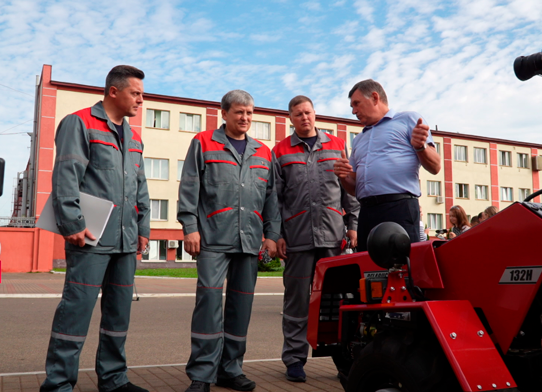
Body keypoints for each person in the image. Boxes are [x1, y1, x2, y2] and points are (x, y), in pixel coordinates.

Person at [40, 65, 151, 392]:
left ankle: (114, 380)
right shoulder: (80, 123)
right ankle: (58, 384)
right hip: (89, 237)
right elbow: (66, 176)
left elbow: (140, 186)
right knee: (76, 312)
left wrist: (143, 227)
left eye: (142, 94)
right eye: (136, 93)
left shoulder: (134, 136)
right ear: (113, 91)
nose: (141, 100)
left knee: (119, 316)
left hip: (126, 239)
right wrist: (72, 223)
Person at [178, 90, 281, 392]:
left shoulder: (263, 152)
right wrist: (189, 227)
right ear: (224, 114)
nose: (245, 118)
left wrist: (272, 236)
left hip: (249, 241)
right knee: (208, 304)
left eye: (249, 113)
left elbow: (272, 198)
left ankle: (230, 369)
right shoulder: (203, 142)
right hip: (212, 238)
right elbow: (189, 187)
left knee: (241, 306)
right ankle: (202, 374)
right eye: (239, 112)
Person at [272, 96, 360, 382]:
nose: (304, 117)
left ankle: (343, 360)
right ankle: (295, 361)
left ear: (315, 114)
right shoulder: (281, 151)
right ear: (291, 119)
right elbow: (275, 198)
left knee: (336, 304)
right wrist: (277, 235)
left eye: (308, 112)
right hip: (297, 239)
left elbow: (348, 188)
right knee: (296, 304)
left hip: (332, 237)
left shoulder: (335, 145)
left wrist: (353, 224)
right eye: (298, 114)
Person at [333, 79, 441, 250]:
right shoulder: (359, 139)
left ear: (375, 97)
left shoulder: (408, 119)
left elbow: (435, 167)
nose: (353, 111)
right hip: (367, 211)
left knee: (403, 267)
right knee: (368, 268)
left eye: (356, 104)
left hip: (399, 207)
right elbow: (353, 188)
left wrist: (421, 147)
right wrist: (343, 176)